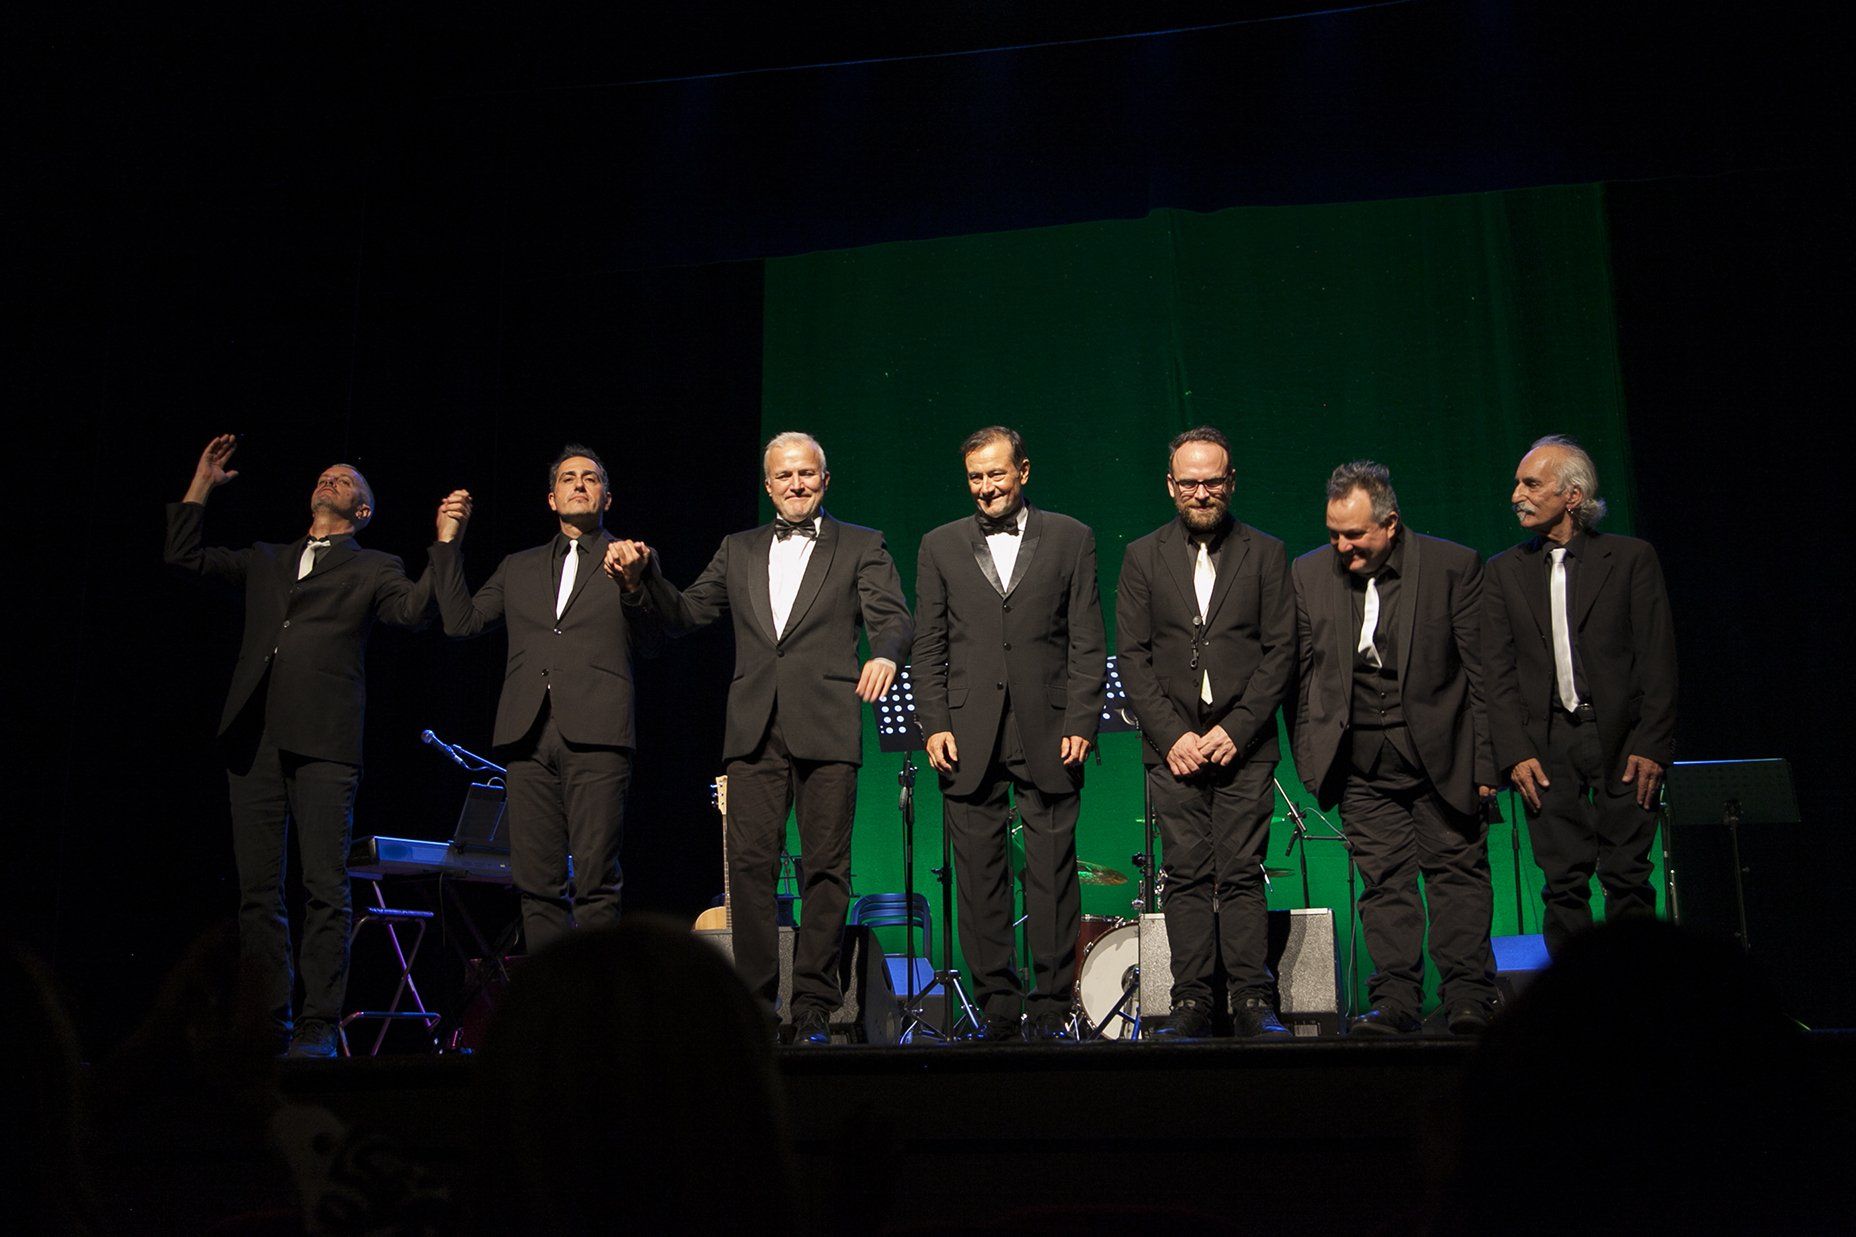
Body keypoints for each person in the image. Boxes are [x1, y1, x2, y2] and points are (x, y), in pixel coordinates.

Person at [614, 432, 912, 1044]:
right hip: (753, 728)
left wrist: (884, 654)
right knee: (750, 868)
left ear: (824, 480)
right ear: (768, 485)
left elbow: (894, 618)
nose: (796, 484)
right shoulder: (739, 548)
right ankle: (754, 1005)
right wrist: (643, 580)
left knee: (826, 869)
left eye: (807, 473)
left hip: (827, 722)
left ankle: (814, 1006)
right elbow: (688, 613)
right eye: (784, 475)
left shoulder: (862, 544)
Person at [164, 434, 438, 1058]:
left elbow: (413, 613)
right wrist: (202, 484)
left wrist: (444, 546)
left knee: (323, 885)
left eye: (346, 480)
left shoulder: (375, 566)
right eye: (325, 475)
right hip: (254, 736)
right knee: (259, 892)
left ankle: (318, 1025)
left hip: (324, 740)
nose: (330, 479)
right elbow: (183, 557)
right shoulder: (268, 558)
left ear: (362, 511)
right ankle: (267, 1023)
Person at [1292, 460, 1499, 1036]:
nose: (1342, 547)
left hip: (1444, 755)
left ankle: (1467, 997)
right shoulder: (1309, 573)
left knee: (1457, 875)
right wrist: (1312, 760)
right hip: (1359, 762)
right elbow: (1304, 678)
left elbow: (1481, 675)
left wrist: (1487, 761)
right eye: (1334, 534)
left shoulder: (1452, 567)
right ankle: (1395, 1000)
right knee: (1384, 884)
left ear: (1390, 524)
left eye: (1355, 535)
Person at [912, 426, 1106, 1042]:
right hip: (966, 734)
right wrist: (934, 724)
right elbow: (928, 645)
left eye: (996, 474)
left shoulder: (1072, 537)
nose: (986, 487)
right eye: (976, 477)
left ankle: (1049, 1006)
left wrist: (1081, 720)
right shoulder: (939, 544)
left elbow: (1087, 639)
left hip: (1048, 729)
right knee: (978, 877)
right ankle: (997, 1005)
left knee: (1053, 874)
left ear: (1023, 471)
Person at [429, 445, 659, 955]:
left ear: (607, 497)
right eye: (568, 478)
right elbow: (461, 623)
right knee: (536, 884)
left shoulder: (631, 556)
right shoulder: (520, 567)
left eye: (590, 478)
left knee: (596, 881)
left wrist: (632, 587)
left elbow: (653, 640)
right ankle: (550, 998)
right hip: (526, 735)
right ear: (552, 499)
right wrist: (448, 543)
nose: (579, 484)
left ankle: (598, 996)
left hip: (598, 734)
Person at [1115, 426, 1293, 1040]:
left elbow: (1281, 652)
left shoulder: (1266, 553)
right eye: (1189, 483)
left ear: (1231, 482)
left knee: (1242, 871)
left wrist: (1237, 729)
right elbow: (1132, 657)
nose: (1200, 492)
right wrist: (1172, 737)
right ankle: (1190, 1001)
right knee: (1185, 873)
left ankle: (1251, 1000)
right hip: (1174, 749)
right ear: (1171, 485)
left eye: (1211, 481)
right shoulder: (1143, 556)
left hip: (1245, 744)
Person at [1483, 435, 1677, 954]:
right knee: (1562, 883)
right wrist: (1514, 751)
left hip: (1623, 742)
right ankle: (1574, 996)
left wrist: (1652, 744)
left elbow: (1658, 659)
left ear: (1572, 495)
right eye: (1517, 484)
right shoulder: (1504, 571)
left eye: (1531, 484)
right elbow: (1496, 672)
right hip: (1547, 745)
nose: (1516, 495)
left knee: (1628, 877)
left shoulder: (1630, 558)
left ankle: (1636, 989)